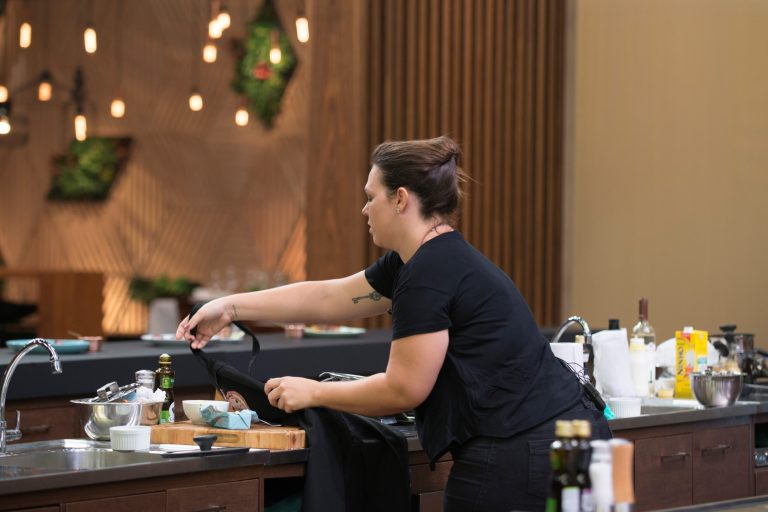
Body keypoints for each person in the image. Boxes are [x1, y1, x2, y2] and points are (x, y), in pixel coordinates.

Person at [177, 135, 611, 511]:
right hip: (564, 436)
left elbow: (404, 388)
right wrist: (230, 308)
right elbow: (329, 297)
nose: (364, 209)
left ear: (400, 199)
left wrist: (313, 391)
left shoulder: (427, 273)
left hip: (525, 450)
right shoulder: (418, 261)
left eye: (371, 197)